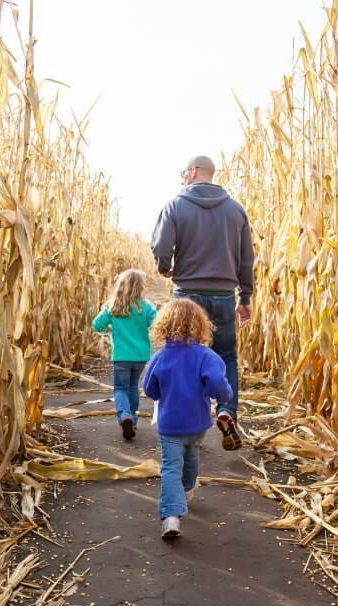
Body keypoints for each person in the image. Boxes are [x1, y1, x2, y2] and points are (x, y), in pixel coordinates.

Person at [150, 155, 254, 451]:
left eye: (184, 173)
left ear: (193, 172)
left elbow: (161, 245)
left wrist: (164, 266)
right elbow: (247, 259)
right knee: (226, 356)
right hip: (223, 295)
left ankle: (183, 424)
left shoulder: (175, 205)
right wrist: (245, 297)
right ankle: (226, 409)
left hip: (186, 295)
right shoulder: (236, 211)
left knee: (180, 356)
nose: (183, 178)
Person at [142, 299, 233, 539]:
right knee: (192, 457)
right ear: (200, 325)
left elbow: (149, 390)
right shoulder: (206, 356)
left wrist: (165, 391)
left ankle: (171, 516)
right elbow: (218, 386)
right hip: (197, 423)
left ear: (164, 325)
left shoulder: (160, 357)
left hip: (170, 423)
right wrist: (225, 396)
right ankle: (185, 490)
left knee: (171, 466)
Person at [92, 269, 157, 439]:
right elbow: (157, 323)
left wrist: (111, 328)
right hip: (140, 356)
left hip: (121, 356)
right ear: (141, 287)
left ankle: (124, 415)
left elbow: (96, 325)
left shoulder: (113, 306)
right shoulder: (146, 306)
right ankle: (133, 420)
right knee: (133, 386)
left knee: (121, 388)